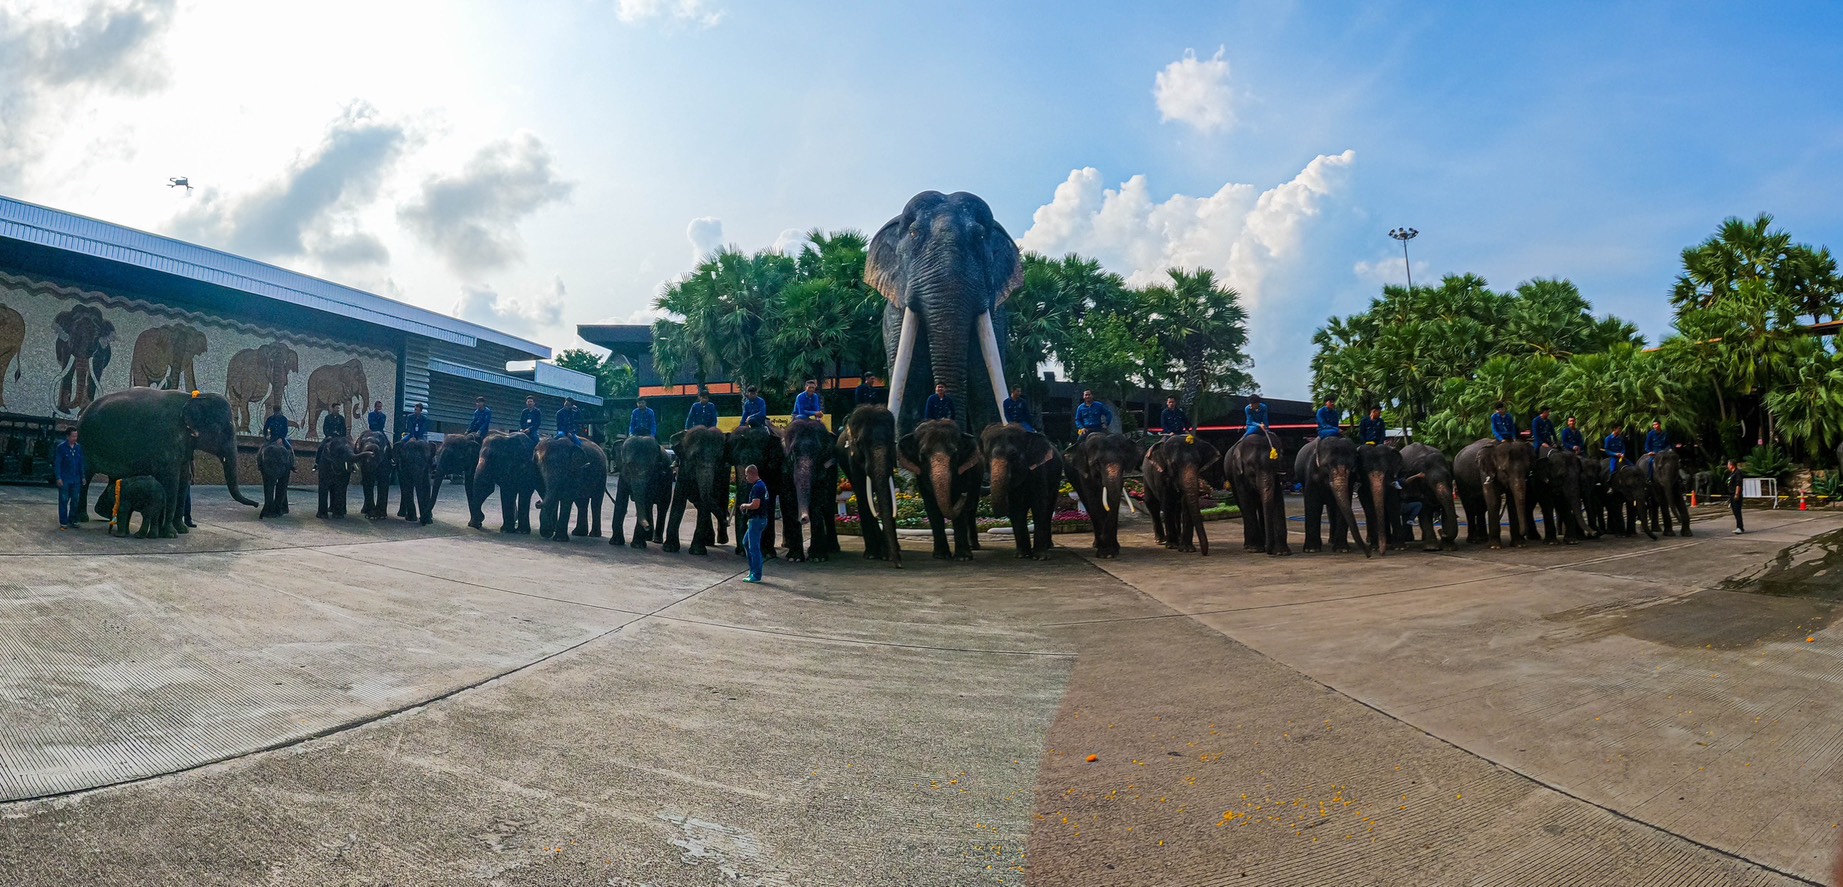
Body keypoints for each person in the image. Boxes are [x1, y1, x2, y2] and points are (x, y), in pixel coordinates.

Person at [742, 463, 771, 583]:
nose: (746, 478)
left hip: (757, 519)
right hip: (759, 519)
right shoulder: (761, 485)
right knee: (746, 542)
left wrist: (744, 506)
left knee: (754, 547)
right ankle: (752, 570)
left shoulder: (757, 487)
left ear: (751, 474)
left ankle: (756, 574)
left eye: (746, 475)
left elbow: (755, 505)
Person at [55, 427, 84, 529]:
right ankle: (63, 521)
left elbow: (81, 463)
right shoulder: (61, 447)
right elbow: (58, 463)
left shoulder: (78, 448)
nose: (75, 438)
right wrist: (58, 477)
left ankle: (72, 519)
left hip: (76, 478)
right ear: (67, 436)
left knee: (75, 499)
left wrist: (83, 476)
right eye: (73, 436)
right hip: (65, 478)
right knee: (64, 499)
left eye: (76, 436)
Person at [1726, 458, 1745, 535]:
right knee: (1735, 511)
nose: (1727, 466)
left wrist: (1737, 494)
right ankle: (1738, 526)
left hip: (1735, 494)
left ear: (1731, 465)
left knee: (1737, 511)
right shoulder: (1731, 473)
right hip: (1731, 494)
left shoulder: (1738, 472)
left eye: (1728, 464)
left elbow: (1738, 484)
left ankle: (1740, 527)